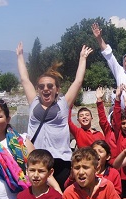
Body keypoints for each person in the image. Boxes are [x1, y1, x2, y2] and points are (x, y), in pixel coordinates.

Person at [16, 42, 93, 189]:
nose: (46, 89)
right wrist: (19, 56)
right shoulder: (34, 102)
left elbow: (78, 81)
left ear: (57, 89)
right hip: (36, 159)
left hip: (60, 160)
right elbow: (25, 79)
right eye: (42, 86)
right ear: (38, 89)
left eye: (50, 86)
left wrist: (82, 58)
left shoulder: (63, 104)